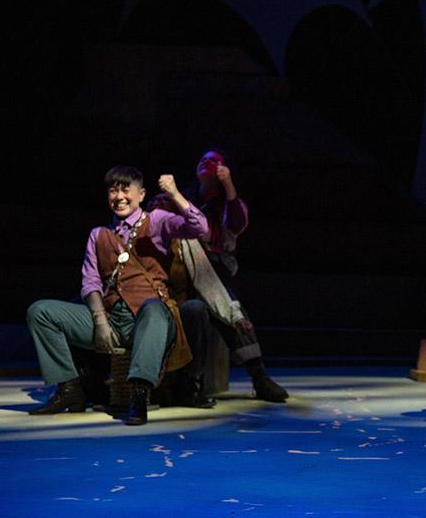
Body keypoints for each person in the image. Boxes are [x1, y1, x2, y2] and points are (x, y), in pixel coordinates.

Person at [26, 166, 208, 425]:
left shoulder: (156, 221)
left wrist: (175, 194)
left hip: (150, 320)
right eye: (114, 190)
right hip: (111, 319)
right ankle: (70, 389)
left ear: (141, 194)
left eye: (126, 190)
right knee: (41, 311)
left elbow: (200, 228)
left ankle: (139, 393)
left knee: (155, 309)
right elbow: (90, 282)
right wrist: (100, 321)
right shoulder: (99, 234)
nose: (119, 196)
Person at [179, 148, 287, 402]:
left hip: (215, 266)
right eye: (203, 159)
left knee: (229, 311)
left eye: (214, 161)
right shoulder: (186, 197)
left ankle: (258, 376)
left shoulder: (227, 202)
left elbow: (237, 222)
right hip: (185, 264)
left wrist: (228, 184)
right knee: (213, 309)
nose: (207, 163)